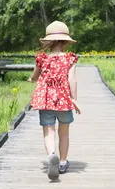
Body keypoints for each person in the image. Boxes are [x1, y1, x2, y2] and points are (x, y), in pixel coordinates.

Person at [28, 21, 81, 180]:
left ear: (48, 41)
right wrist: (74, 99)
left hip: (46, 100)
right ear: (65, 42)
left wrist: (31, 79)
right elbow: (72, 80)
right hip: (64, 100)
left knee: (48, 130)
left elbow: (35, 76)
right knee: (64, 132)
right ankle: (63, 162)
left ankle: (52, 155)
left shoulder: (42, 58)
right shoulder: (69, 58)